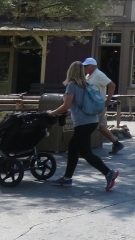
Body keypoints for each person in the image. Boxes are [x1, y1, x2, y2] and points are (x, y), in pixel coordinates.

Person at [49, 61, 118, 189]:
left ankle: (109, 173)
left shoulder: (72, 85)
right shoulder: (86, 84)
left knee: (85, 153)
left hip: (82, 123)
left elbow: (65, 105)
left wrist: (50, 113)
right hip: (92, 120)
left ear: (71, 71)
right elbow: (79, 104)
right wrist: (72, 111)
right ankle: (67, 178)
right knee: (73, 149)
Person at [82, 58, 122, 155]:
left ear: (92, 66)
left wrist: (108, 100)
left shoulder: (99, 74)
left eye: (86, 66)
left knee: (89, 126)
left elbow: (112, 85)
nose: (84, 68)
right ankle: (116, 143)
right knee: (101, 126)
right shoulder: (89, 75)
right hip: (93, 104)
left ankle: (83, 149)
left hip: (97, 105)